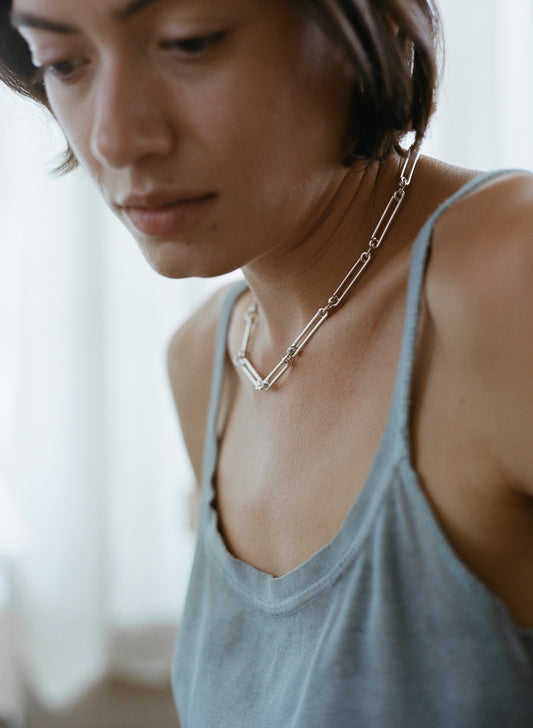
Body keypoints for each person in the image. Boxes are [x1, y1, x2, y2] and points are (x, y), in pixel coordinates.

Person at [1, 0, 532, 725]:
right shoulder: (207, 363)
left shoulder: (506, 283)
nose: (114, 139)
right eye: (63, 63)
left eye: (190, 43)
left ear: (367, 26)